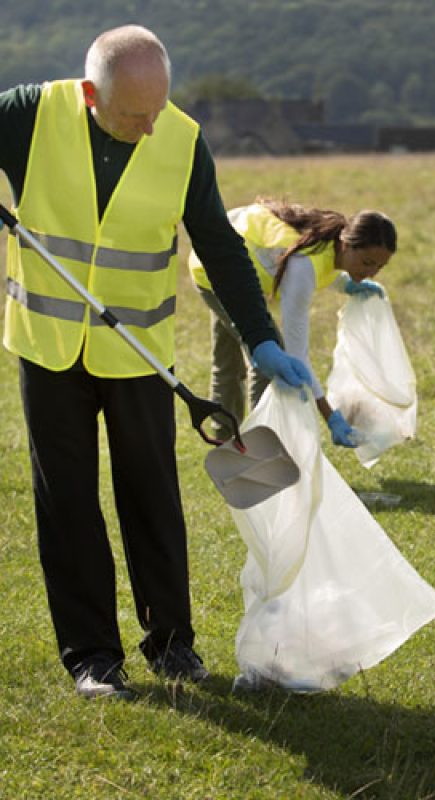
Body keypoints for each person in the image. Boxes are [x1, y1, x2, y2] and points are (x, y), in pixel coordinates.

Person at [0, 25, 312, 699]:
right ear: (91, 93)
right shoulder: (30, 113)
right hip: (48, 348)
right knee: (68, 503)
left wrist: (262, 339)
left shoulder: (180, 138)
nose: (148, 128)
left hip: (139, 352)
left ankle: (172, 645)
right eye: (133, 114)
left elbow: (222, 249)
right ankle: (92, 658)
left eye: (157, 111)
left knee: (152, 497)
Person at [188, 198, 397, 446]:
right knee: (267, 358)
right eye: (367, 263)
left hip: (221, 255)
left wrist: (346, 283)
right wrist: (331, 417)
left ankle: (227, 443)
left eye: (379, 267)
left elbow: (320, 268)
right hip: (213, 270)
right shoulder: (303, 265)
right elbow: (297, 356)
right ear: (346, 244)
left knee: (229, 363)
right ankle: (258, 446)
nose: (371, 272)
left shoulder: (328, 242)